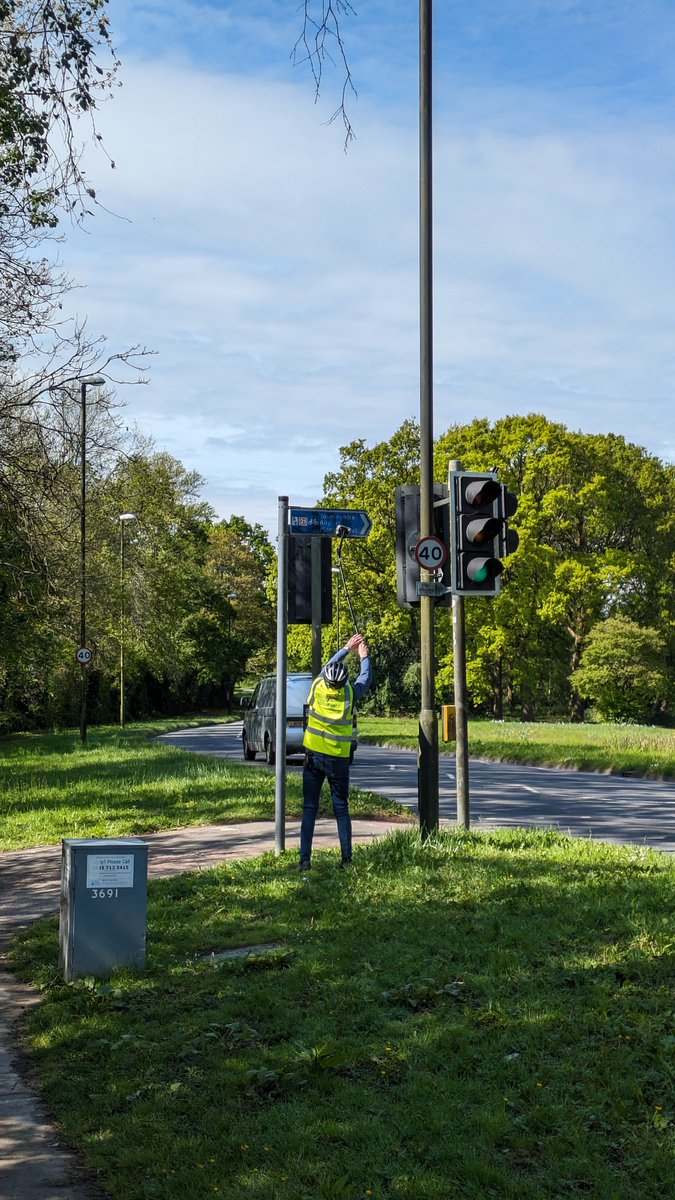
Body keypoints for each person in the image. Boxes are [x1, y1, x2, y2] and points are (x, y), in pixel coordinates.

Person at [299, 632, 372, 870]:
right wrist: (364, 657)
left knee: (310, 807)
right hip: (338, 760)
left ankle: (304, 860)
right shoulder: (350, 694)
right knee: (341, 808)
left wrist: (346, 648)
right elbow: (365, 679)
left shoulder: (318, 686)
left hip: (313, 757)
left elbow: (326, 666)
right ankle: (346, 860)